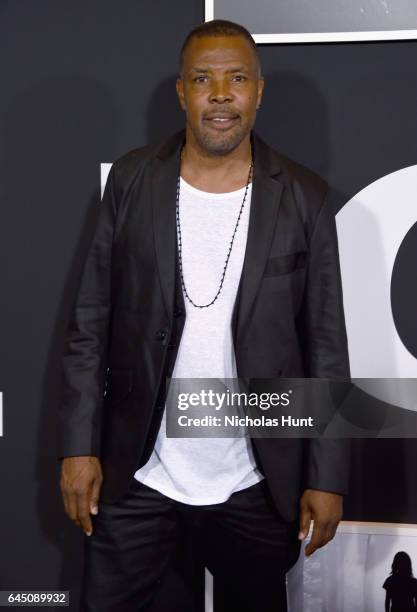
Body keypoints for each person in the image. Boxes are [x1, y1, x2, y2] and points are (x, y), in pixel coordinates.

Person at [58, 19, 350, 612]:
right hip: (139, 474)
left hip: (255, 481)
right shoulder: (132, 181)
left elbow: (325, 348)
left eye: (236, 78)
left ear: (259, 91)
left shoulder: (305, 197)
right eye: (203, 79)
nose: (221, 94)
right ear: (182, 92)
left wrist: (327, 476)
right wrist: (77, 445)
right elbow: (90, 321)